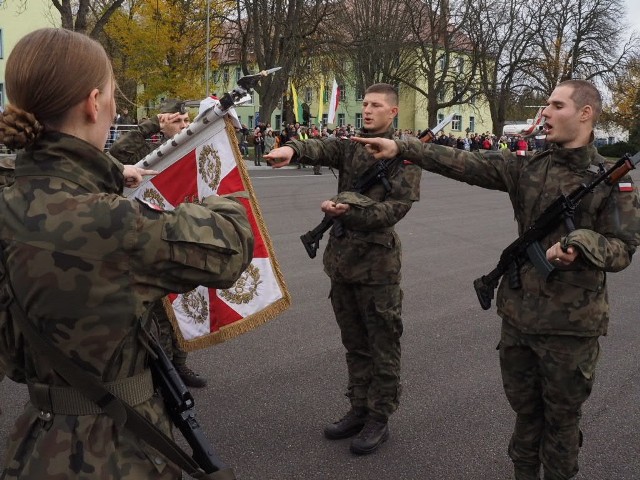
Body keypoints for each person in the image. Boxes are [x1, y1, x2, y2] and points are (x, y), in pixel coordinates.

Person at [351, 79, 640, 479]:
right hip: (519, 317)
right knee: (524, 416)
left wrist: (584, 242)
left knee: (561, 423)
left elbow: (623, 247)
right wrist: (404, 147)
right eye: (546, 105)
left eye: (557, 105)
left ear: (586, 113)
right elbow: (464, 163)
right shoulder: (529, 167)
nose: (546, 113)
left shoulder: (612, 180)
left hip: (571, 328)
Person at [0, 28, 253, 478]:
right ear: (93, 103)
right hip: (115, 453)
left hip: (31, 446)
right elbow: (232, 243)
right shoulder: (112, 224)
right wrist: (213, 194)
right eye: (115, 95)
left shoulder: (13, 200)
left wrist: (107, 176)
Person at [265, 83, 422, 455]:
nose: (367, 110)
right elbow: (320, 146)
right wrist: (292, 148)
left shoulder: (406, 157)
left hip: (378, 268)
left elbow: (395, 210)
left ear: (392, 113)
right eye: (364, 104)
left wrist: (351, 210)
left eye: (375, 105)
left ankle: (379, 416)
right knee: (354, 344)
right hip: (343, 263)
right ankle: (358, 407)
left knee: (382, 344)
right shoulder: (352, 146)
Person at [110, 98, 209, 388]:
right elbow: (118, 153)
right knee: (154, 314)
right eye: (178, 121)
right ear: (165, 122)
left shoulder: (190, 148)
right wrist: (154, 125)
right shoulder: (151, 152)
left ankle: (180, 366)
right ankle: (159, 373)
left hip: (180, 234)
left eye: (187, 120)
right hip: (147, 238)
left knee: (184, 306)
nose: (184, 125)